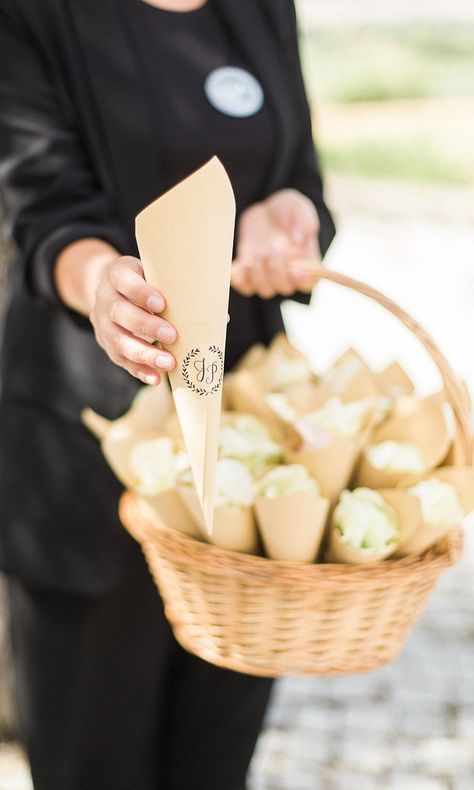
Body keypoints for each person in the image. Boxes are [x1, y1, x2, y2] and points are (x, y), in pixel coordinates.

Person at [0, 0, 335, 788]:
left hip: (242, 468)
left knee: (215, 766)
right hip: (87, 454)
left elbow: (299, 179)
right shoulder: (32, 15)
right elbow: (43, 216)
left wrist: (291, 219)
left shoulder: (261, 8)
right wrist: (103, 287)